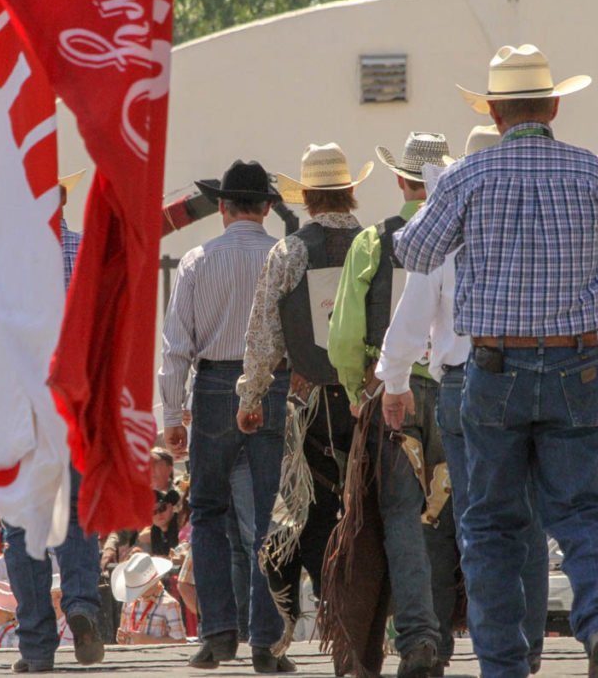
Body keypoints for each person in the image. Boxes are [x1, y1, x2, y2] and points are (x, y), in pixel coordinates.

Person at [395, 44, 598, 677]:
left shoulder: (469, 176)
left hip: (494, 368)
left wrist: (424, 205)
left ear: (494, 112)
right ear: (553, 106)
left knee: (492, 524)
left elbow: (414, 253)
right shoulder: (594, 171)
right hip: (576, 363)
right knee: (580, 509)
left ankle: (503, 665)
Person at [376, 123, 550, 678]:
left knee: (471, 519)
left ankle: (486, 644)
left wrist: (395, 382)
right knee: (524, 516)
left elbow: (413, 313)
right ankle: (525, 641)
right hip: (537, 371)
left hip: (461, 382)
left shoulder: (446, 223)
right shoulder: (537, 224)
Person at [324, 131, 454, 677]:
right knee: (445, 518)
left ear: (401, 179)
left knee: (398, 515)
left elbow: (344, 335)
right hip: (453, 386)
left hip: (392, 391)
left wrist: (358, 391)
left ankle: (418, 640)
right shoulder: (462, 232)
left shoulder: (374, 241)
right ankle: (441, 634)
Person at [237, 143, 370, 666]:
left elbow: (264, 333)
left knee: (308, 517)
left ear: (308, 197)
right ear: (349, 191)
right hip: (370, 406)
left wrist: (250, 396)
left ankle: (320, 619)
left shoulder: (289, 252)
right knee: (366, 514)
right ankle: (365, 625)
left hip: (311, 404)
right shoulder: (372, 244)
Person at [157, 159, 290, 672]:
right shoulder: (286, 257)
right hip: (274, 383)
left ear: (222, 207)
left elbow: (176, 348)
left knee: (209, 513)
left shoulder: (196, 260)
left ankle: (216, 635)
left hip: (213, 386)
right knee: (270, 518)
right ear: (268, 207)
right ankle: (265, 640)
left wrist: (172, 412)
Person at [5, 169, 105, 674]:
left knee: (23, 526)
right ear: (64, 203)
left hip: (23, 405)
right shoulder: (86, 253)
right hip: (76, 402)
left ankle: (37, 646)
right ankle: (83, 606)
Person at [113, 553, 186, 646]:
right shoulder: (128, 603)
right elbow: (124, 638)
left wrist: (149, 641)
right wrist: (122, 639)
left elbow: (181, 642)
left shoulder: (169, 605)